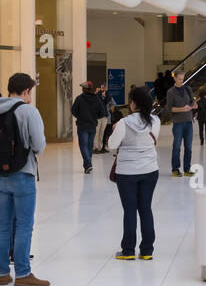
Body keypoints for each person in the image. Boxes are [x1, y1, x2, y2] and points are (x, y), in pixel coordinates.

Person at [0, 73, 49, 286]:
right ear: (26, 91)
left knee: (2, 224)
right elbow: (39, 145)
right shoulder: (28, 111)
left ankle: (2, 273)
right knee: (24, 224)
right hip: (23, 174)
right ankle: (23, 274)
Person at [111, 85, 160, 261]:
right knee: (145, 209)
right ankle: (147, 250)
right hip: (150, 170)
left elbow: (111, 145)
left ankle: (128, 251)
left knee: (130, 210)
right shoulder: (155, 121)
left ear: (132, 103)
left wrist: (116, 128)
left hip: (127, 172)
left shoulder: (124, 123)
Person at [71, 81, 107, 174]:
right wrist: (95, 117)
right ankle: (88, 165)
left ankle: (88, 164)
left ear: (84, 89)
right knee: (89, 146)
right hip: (92, 125)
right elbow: (102, 113)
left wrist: (80, 116)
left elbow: (73, 111)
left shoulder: (79, 99)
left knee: (83, 145)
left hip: (82, 125)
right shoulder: (97, 99)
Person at [166, 70, 195, 177]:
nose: (181, 81)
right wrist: (182, 109)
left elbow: (192, 101)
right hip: (178, 123)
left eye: (182, 79)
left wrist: (193, 106)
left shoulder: (188, 89)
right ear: (175, 78)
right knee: (177, 147)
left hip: (188, 122)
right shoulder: (171, 92)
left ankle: (187, 169)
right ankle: (175, 169)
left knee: (188, 147)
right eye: (179, 79)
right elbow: (169, 108)